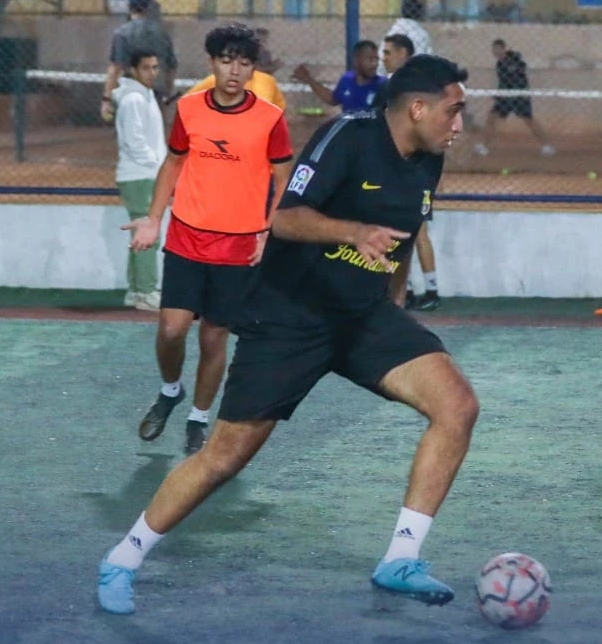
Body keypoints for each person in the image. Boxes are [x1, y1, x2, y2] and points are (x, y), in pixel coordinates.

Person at [97, 55, 476, 614]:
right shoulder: (347, 137)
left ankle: (400, 559)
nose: (460, 124)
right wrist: (354, 231)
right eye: (454, 110)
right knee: (223, 459)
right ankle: (123, 558)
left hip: (365, 316)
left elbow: (403, 234)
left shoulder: (429, 160)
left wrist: (396, 308)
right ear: (417, 107)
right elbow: (286, 218)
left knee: (458, 407)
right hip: (290, 318)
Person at [122, 24, 296, 456]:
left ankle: (199, 418)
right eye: (226, 60)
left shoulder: (270, 118)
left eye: (243, 63)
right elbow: (173, 164)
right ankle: (170, 390)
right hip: (186, 237)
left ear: (252, 68)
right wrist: (153, 218)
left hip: (237, 246)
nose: (234, 71)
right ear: (212, 63)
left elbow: (284, 177)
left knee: (214, 337)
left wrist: (268, 231)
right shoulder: (189, 109)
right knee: (172, 328)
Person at [381, 33, 440, 310]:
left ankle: (429, 290)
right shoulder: (394, 87)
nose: (384, 57)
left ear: (404, 54)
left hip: (415, 171)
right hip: (401, 171)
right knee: (401, 231)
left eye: (389, 52)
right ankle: (406, 292)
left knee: (416, 230)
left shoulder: (411, 88)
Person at [112, 49, 168, 311]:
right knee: (148, 235)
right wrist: (158, 165)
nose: (152, 73)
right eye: (147, 68)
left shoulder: (142, 95)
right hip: (140, 176)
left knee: (141, 234)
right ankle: (146, 292)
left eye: (155, 67)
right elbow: (134, 142)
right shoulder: (133, 98)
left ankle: (136, 292)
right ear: (134, 70)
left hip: (142, 175)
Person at [102, 0, 176, 118]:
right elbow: (171, 67)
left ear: (129, 7)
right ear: (148, 7)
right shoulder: (162, 34)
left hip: (130, 91)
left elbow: (115, 68)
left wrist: (107, 99)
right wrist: (167, 93)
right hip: (155, 89)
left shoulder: (122, 33)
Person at [475, 39, 555, 157]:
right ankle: (484, 146)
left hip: (519, 96)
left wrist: (509, 91)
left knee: (529, 120)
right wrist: (499, 95)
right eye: (494, 49)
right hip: (506, 97)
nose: (495, 52)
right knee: (491, 117)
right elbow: (504, 82)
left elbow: (517, 77)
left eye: (498, 49)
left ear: (503, 49)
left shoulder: (514, 60)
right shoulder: (499, 64)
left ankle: (547, 146)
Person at [295, 40, 386, 114]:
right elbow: (333, 99)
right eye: (370, 59)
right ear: (356, 60)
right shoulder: (346, 80)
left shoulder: (383, 85)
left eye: (376, 59)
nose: (375, 64)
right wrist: (309, 80)